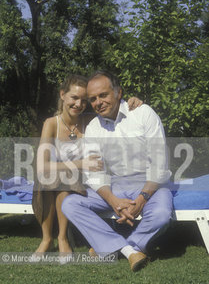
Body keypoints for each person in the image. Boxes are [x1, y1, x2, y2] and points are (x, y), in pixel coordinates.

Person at [62, 70, 173, 271]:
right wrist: (113, 201)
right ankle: (129, 251)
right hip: (117, 185)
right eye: (93, 99)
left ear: (118, 93)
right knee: (70, 203)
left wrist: (141, 199)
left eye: (103, 95)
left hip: (150, 184)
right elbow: (95, 173)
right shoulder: (94, 127)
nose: (98, 102)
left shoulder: (142, 113)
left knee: (161, 214)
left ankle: (114, 247)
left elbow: (159, 163)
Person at [32, 74, 142, 254]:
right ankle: (47, 238)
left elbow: (112, 106)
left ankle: (62, 237)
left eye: (84, 100)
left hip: (87, 181)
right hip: (59, 178)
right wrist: (80, 163)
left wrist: (133, 101)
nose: (79, 104)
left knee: (65, 176)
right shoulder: (51, 124)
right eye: (74, 98)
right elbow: (42, 166)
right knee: (53, 176)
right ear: (62, 95)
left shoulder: (90, 120)